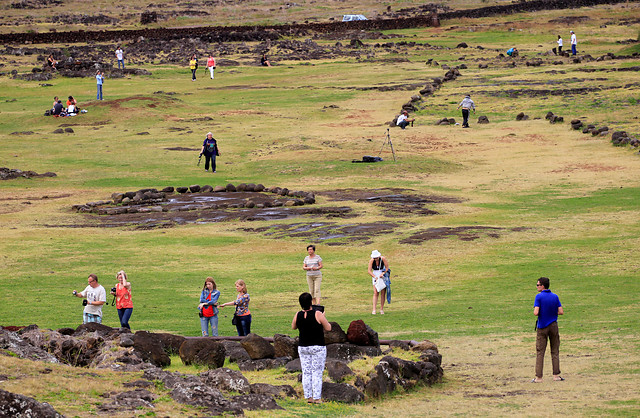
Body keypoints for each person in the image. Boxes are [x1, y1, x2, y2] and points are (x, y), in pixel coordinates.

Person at [292, 292, 331, 404]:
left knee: (306, 372)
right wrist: (323, 316)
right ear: (311, 302)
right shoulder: (317, 314)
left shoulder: (297, 314)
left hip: (303, 346)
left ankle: (308, 397)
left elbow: (293, 326)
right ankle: (317, 398)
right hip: (317, 346)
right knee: (317, 372)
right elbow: (328, 327)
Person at [532, 277, 564, 383]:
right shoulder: (555, 296)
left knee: (540, 351)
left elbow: (536, 312)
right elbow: (560, 311)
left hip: (542, 326)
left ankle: (539, 377)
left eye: (538, 285)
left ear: (542, 286)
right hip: (553, 325)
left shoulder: (539, 297)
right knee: (555, 350)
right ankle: (556, 375)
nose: (537, 287)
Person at [368, 250, 390, 315]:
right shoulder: (371, 261)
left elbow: (387, 268)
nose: (376, 259)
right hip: (375, 275)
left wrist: (383, 273)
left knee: (383, 292)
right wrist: (375, 277)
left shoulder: (383, 259)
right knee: (375, 292)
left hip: (382, 275)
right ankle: (374, 309)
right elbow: (369, 271)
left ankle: (381, 309)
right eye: (374, 258)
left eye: (376, 258)